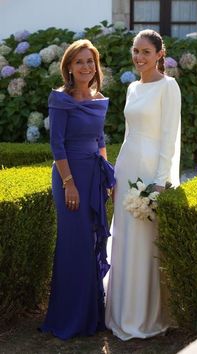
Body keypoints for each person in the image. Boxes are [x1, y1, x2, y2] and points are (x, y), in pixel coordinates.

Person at [105, 29, 181, 340]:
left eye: (146, 52)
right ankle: (121, 313)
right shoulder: (132, 88)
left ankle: (147, 315)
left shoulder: (169, 87)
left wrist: (161, 181)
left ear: (160, 55)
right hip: (127, 168)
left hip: (150, 172)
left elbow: (169, 137)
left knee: (147, 241)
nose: (139, 57)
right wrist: (115, 174)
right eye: (136, 51)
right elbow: (127, 135)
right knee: (125, 238)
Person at [39, 39, 115, 340]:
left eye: (90, 61)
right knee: (74, 244)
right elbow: (57, 144)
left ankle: (92, 315)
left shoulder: (99, 99)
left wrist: (108, 179)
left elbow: (100, 140)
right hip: (69, 177)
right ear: (69, 67)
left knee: (93, 240)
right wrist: (69, 184)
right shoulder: (60, 99)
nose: (86, 67)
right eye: (80, 62)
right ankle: (69, 317)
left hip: (93, 175)